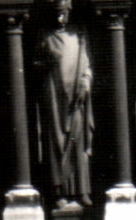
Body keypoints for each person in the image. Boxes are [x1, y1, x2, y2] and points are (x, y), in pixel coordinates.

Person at [34, 0, 93, 209]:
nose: (60, 18)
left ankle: (81, 190)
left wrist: (85, 83)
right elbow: (35, 64)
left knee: (77, 139)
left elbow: (87, 65)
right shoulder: (45, 36)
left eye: (64, 13)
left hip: (75, 96)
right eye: (57, 13)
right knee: (56, 142)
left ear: (69, 11)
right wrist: (47, 61)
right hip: (54, 95)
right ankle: (59, 191)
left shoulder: (79, 35)